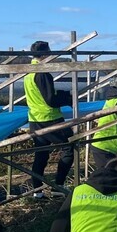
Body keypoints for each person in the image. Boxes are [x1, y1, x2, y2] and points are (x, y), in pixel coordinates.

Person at [24, 40, 75, 197]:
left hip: (35, 119)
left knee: (41, 154)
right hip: (50, 118)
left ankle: (37, 191)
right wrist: (66, 98)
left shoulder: (28, 73)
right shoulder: (42, 73)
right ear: (45, 54)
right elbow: (50, 100)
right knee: (69, 148)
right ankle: (58, 186)